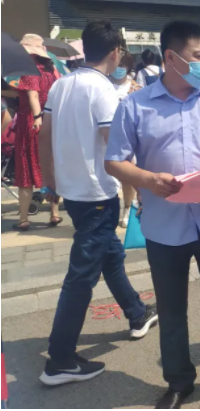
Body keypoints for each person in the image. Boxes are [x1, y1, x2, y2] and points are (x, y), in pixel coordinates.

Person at [105, 20, 200, 409]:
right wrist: (148, 180)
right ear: (172, 58)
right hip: (164, 227)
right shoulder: (135, 105)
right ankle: (179, 381)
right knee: (172, 311)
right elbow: (114, 161)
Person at [38, 21, 158, 386]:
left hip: (73, 191)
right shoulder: (103, 90)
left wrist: (49, 182)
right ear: (116, 52)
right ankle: (60, 360)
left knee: (110, 256)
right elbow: (116, 147)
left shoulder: (61, 84)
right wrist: (142, 187)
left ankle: (136, 313)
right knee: (81, 277)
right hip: (97, 194)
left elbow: (43, 136)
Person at [13, 34, 60, 231]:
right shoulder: (51, 70)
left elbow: (32, 95)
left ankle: (24, 219)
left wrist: (36, 116)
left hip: (30, 122)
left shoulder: (29, 68)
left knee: (26, 171)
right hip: (51, 121)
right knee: (50, 166)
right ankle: (54, 213)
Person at [109, 49, 143, 227]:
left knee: (127, 176)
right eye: (116, 64)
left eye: (122, 65)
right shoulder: (103, 84)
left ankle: (128, 207)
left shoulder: (136, 88)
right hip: (105, 135)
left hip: (128, 137)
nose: (118, 68)